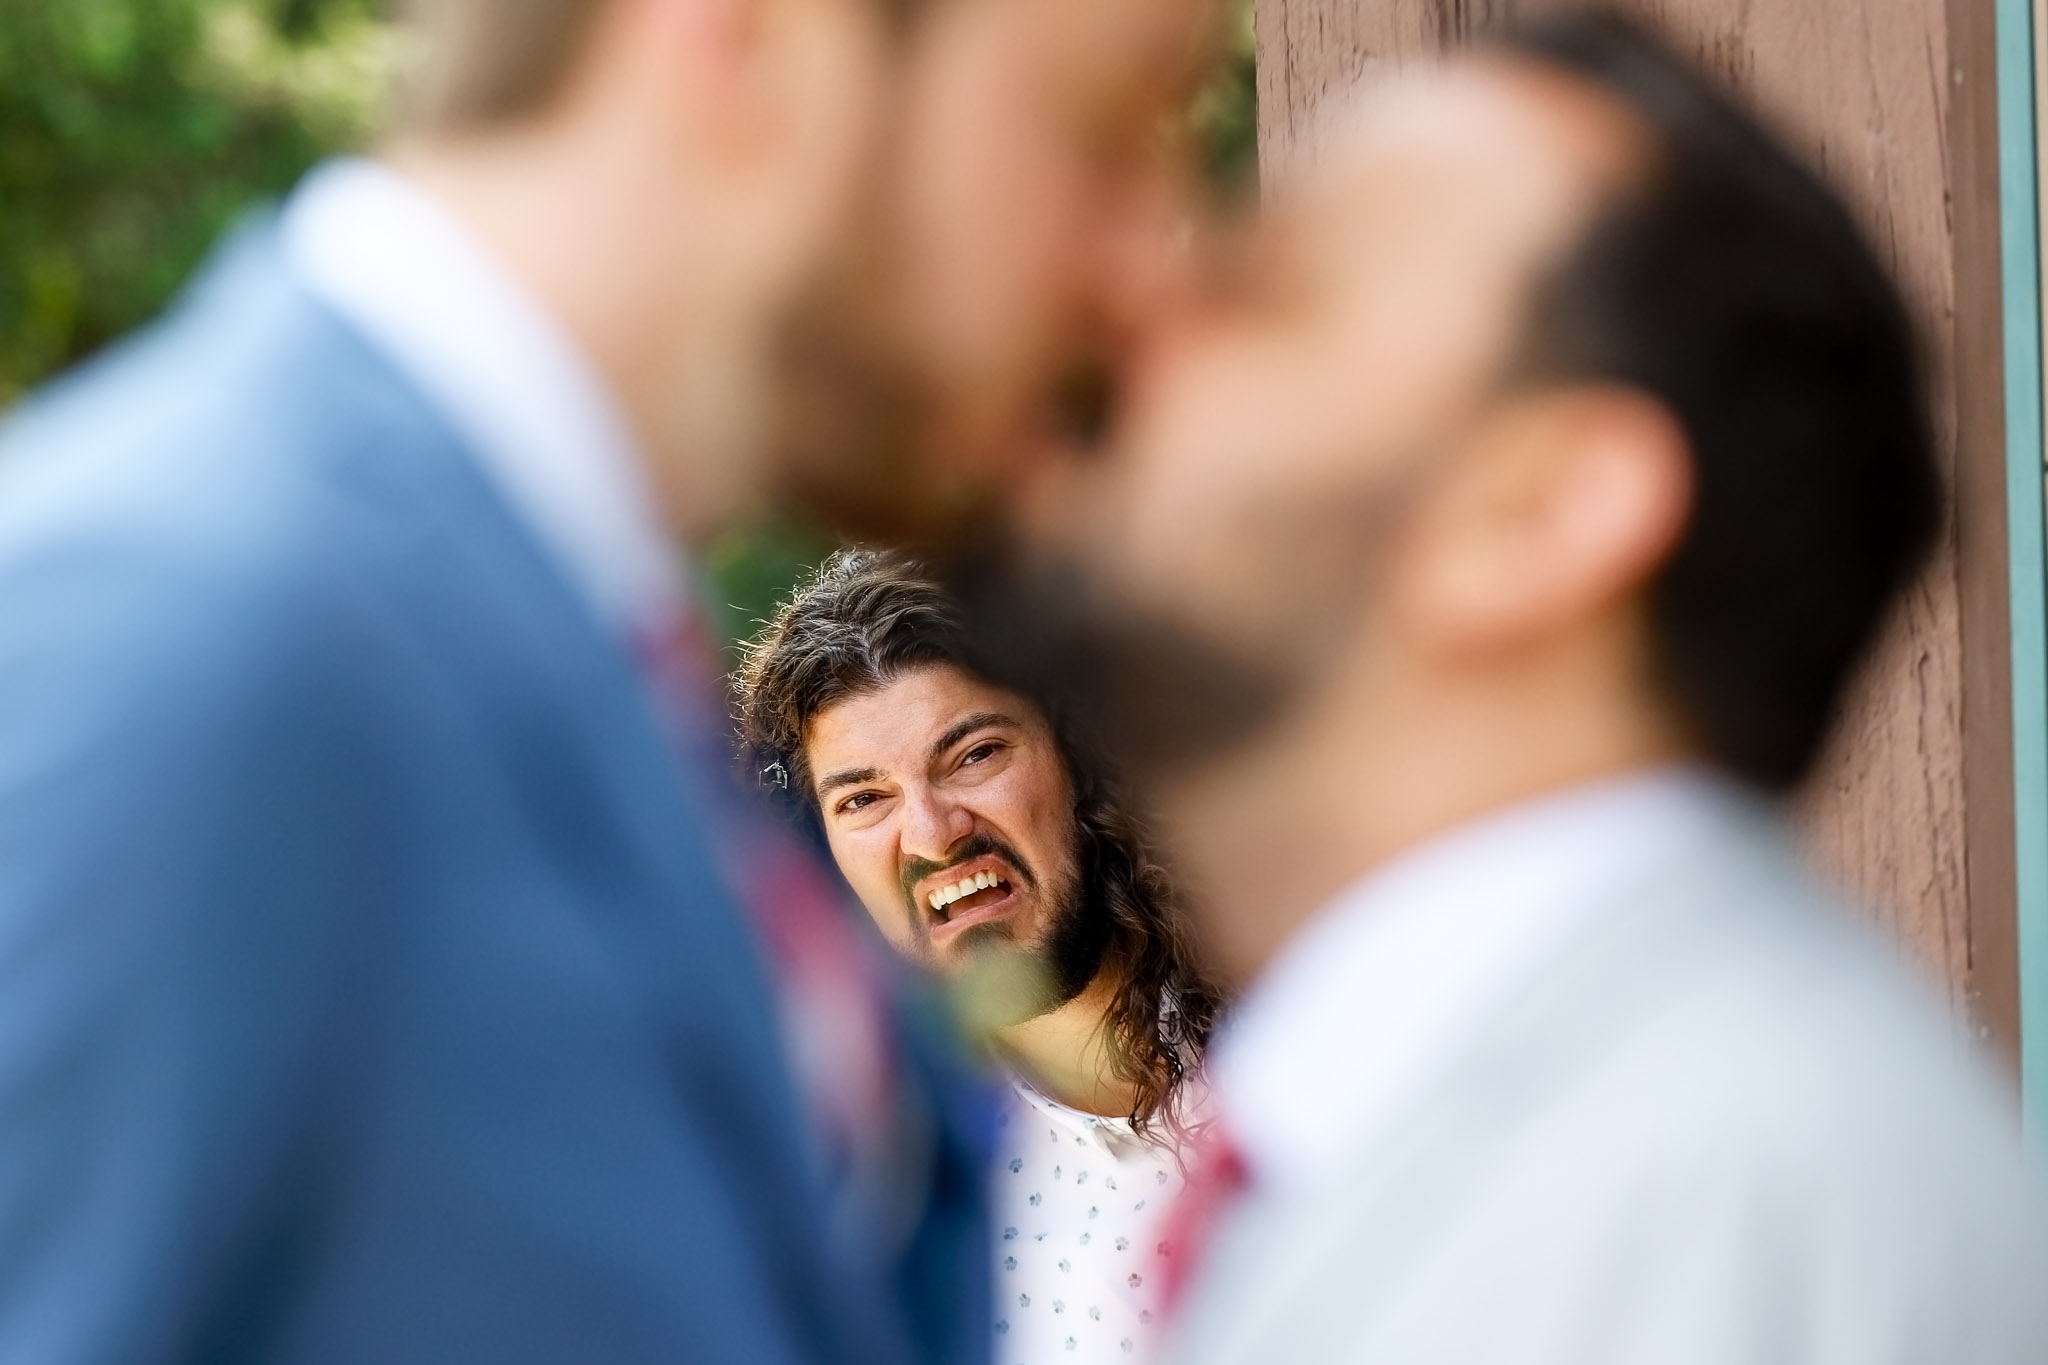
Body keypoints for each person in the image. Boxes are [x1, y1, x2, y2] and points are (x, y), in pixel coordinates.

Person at [937, 11, 2048, 1363]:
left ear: (1535, 512)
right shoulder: (1490, 1135)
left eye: (1266, 290)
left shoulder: (1711, 1200)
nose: (1128, 298)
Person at [0, 0, 1059, 1357]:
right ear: (751, 41)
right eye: (1092, 135)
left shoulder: (591, 653)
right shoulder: (165, 618)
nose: (1124, 263)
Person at [736, 549, 1222, 1365]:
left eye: (974, 754)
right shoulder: (894, 1214)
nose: (932, 832)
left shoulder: (1308, 996)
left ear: (1081, 754)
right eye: (865, 799)